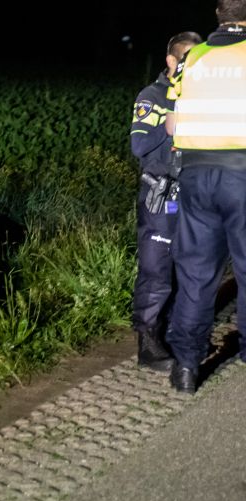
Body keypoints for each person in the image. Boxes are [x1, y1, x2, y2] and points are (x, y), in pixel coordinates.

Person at [165, 0, 246, 393]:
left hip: (196, 174)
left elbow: (172, 122)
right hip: (242, 173)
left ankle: (185, 366)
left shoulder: (192, 57)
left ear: (219, 16)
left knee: (196, 275)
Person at [130, 31, 202, 372]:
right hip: (159, 198)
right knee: (156, 273)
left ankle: (175, 334)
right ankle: (147, 342)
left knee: (189, 272)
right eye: (188, 59)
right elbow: (139, 147)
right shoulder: (153, 96)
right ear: (172, 61)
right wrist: (168, 128)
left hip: (193, 198)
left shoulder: (203, 98)